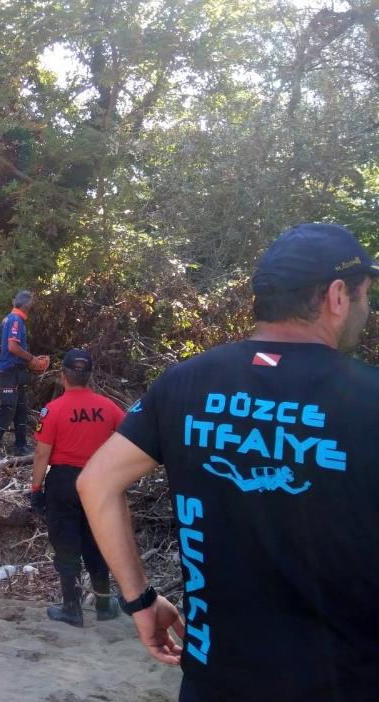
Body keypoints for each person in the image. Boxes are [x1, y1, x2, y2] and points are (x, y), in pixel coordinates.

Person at [77, 223, 379, 702]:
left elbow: (96, 482)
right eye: (367, 293)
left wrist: (139, 599)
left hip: (212, 681)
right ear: (338, 296)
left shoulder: (183, 383)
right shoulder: (369, 399)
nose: (368, 306)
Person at [28, 349, 125, 627]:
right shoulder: (108, 407)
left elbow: (41, 454)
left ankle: (72, 607)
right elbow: (128, 436)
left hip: (63, 482)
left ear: (63, 376)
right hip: (98, 480)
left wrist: (36, 488)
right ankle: (105, 605)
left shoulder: (53, 409)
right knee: (97, 542)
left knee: (66, 543)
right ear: (89, 376)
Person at [0, 290, 40, 458]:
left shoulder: (14, 319)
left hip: (17, 370)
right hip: (8, 370)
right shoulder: (15, 320)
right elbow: (12, 347)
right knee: (8, 407)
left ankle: (21, 445)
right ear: (27, 304)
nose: (32, 306)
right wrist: (31, 359)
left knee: (21, 408)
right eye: (31, 302)